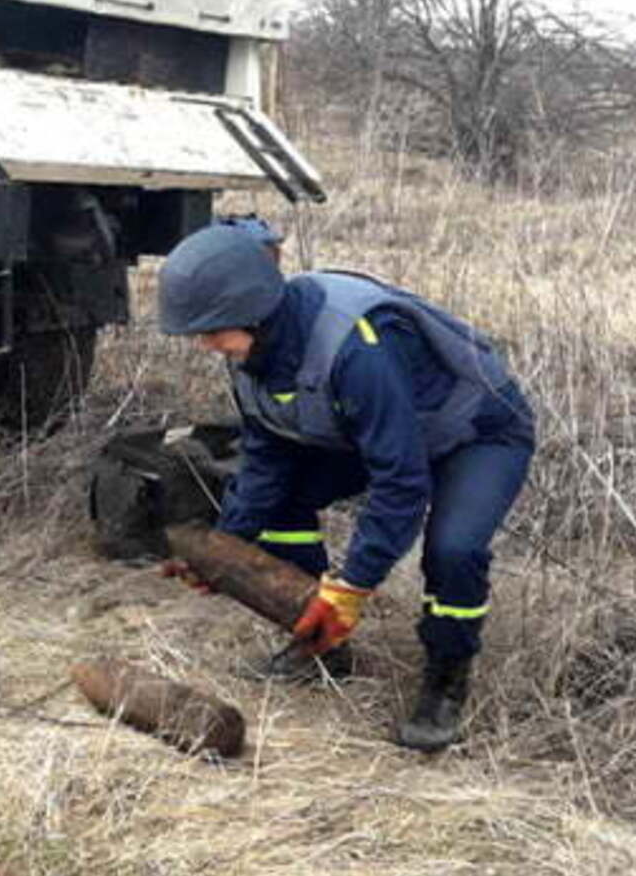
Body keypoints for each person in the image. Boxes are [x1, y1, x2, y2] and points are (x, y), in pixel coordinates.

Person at [156, 221, 535, 751]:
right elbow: (268, 458)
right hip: (381, 434)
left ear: (253, 310)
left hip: (475, 436)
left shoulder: (357, 350)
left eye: (212, 331)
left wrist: (353, 586)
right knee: (283, 500)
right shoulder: (252, 355)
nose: (205, 345)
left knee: (454, 550)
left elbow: (400, 484)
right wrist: (225, 549)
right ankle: (316, 637)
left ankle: (446, 676)